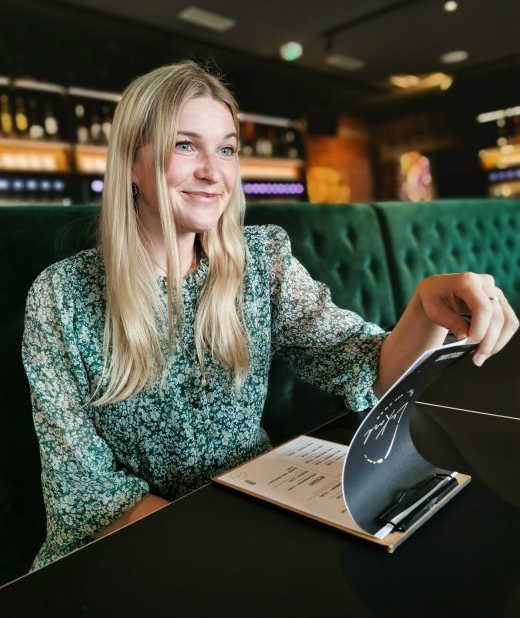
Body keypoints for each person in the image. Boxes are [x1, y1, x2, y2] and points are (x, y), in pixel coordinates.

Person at [22, 60, 518, 570]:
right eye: (185, 145)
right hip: (128, 548)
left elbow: (374, 369)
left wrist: (425, 307)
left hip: (252, 506)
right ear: (131, 160)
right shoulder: (61, 296)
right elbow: (86, 492)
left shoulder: (262, 263)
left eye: (227, 149)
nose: (214, 173)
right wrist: (221, 550)